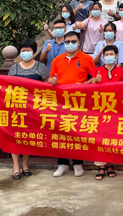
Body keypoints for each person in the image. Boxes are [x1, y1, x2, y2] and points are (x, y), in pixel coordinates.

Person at [49, 31, 96, 178]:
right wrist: (52, 81)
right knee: (61, 132)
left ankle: (77, 163)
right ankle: (62, 164)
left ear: (79, 43)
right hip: (60, 102)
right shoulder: (57, 60)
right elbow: (51, 78)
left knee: (77, 133)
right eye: (67, 41)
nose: (70, 44)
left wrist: (84, 85)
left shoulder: (87, 58)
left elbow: (95, 78)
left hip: (78, 102)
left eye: (73, 41)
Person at [8, 39, 49, 179]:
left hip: (33, 109)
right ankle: (15, 166)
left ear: (34, 51)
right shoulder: (14, 68)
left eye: (28, 50)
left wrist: (52, 82)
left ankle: (25, 164)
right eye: (23, 50)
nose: (26, 53)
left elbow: (46, 84)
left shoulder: (40, 67)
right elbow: (7, 86)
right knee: (15, 138)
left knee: (27, 137)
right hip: (17, 108)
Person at [92, 44, 123, 181]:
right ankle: (101, 166)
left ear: (116, 56)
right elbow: (90, 89)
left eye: (111, 54)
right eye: (106, 55)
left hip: (116, 109)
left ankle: (111, 164)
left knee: (112, 137)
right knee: (100, 137)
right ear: (103, 57)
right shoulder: (97, 70)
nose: (109, 57)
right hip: (100, 108)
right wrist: (96, 81)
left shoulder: (121, 71)